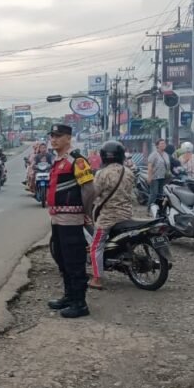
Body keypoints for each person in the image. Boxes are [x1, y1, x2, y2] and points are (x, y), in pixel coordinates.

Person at [46, 123, 96, 319]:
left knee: (74, 261)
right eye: (52, 135)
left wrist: (86, 212)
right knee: (62, 259)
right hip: (58, 219)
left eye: (58, 136)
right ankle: (69, 296)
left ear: (68, 138)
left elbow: (90, 190)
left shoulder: (78, 161)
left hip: (72, 220)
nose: (54, 139)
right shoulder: (58, 161)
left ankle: (80, 303)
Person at [89, 141, 134, 291]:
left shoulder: (102, 173)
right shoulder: (128, 172)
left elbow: (94, 194)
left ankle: (97, 279)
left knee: (95, 246)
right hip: (127, 214)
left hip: (108, 217)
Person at [147, 138, 171, 206]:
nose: (163, 145)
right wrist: (149, 177)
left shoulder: (166, 154)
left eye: (164, 143)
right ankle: (149, 209)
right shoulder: (154, 154)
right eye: (161, 143)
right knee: (154, 193)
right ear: (157, 145)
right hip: (155, 177)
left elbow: (168, 165)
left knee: (161, 194)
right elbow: (150, 166)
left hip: (164, 177)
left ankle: (159, 209)